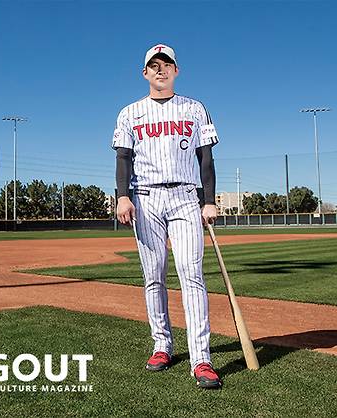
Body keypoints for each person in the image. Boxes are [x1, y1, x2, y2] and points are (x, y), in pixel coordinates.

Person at [111, 44, 221, 389]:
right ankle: (162, 345)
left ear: (177, 70)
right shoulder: (130, 113)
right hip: (145, 198)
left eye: (167, 64)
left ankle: (201, 358)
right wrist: (123, 196)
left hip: (186, 196)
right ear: (144, 73)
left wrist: (209, 201)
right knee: (154, 275)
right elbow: (123, 158)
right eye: (154, 65)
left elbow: (206, 158)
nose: (161, 70)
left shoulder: (195, 108)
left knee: (192, 274)